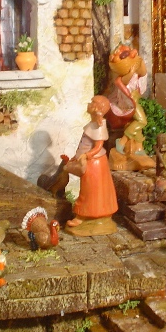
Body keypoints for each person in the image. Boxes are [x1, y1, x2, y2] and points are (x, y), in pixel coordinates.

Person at [65, 95, 118, 236]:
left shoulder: (99, 125)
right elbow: (84, 144)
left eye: (92, 102)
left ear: (97, 108)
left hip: (95, 163)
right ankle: (83, 216)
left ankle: (85, 216)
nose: (89, 103)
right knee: (88, 190)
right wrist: (77, 156)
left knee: (91, 191)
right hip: (91, 162)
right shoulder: (93, 123)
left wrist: (86, 155)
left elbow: (98, 145)